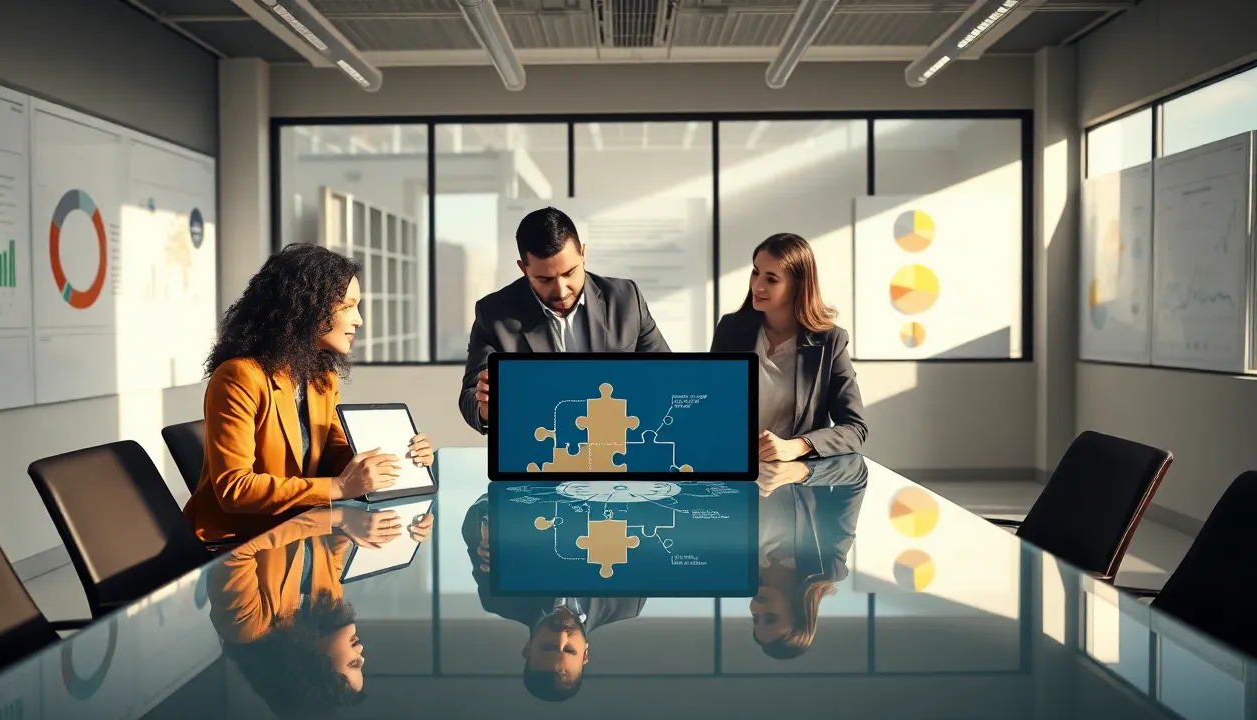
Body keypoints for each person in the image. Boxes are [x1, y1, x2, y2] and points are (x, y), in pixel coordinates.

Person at [184, 244, 435, 542]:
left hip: (302, 531)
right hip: (238, 545)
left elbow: (336, 455)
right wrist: (340, 488)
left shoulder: (322, 376)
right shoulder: (240, 376)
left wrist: (401, 457)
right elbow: (236, 490)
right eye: (348, 306)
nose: (359, 319)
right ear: (306, 307)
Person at [458, 207, 670, 434]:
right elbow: (470, 397)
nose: (561, 290)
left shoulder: (626, 299)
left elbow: (668, 376)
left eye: (569, 273)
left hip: (623, 443)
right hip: (539, 450)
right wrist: (486, 411)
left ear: (583, 254)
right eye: (544, 279)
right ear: (523, 269)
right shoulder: (494, 313)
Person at [209, 507, 428, 718]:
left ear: (313, 669)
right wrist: (403, 526)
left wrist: (340, 518)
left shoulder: (247, 626)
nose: (361, 651)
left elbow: (235, 546)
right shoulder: (325, 607)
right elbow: (335, 539)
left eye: (354, 663)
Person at [461, 495, 645, 701]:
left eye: (548, 646)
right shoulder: (626, 602)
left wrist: (490, 527)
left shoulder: (499, 598)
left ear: (528, 648)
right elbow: (652, 524)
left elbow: (474, 520)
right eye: (569, 649)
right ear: (584, 655)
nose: (562, 637)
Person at [711, 233, 867, 462]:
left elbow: (855, 428)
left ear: (798, 285)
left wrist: (797, 446)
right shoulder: (731, 329)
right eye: (756, 272)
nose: (758, 285)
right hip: (734, 470)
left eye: (771, 279)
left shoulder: (830, 341)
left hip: (796, 480)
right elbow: (709, 404)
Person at [751, 453, 867, 659]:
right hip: (793, 432)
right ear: (798, 614)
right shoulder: (826, 561)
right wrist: (802, 472)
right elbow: (855, 472)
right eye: (770, 617)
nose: (757, 608)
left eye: (755, 618)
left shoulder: (738, 566)